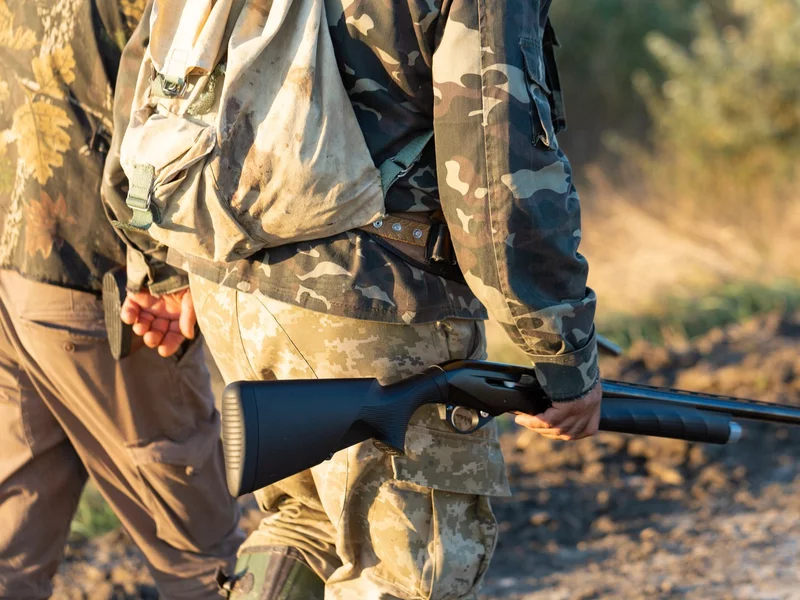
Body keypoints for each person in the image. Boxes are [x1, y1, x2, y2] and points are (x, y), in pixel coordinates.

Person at [106, 0, 602, 598]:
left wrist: (165, 263)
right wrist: (562, 348)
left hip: (233, 285)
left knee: (305, 527)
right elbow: (500, 170)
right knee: (405, 574)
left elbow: (148, 76)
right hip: (371, 308)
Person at [0, 1, 243, 598]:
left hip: (18, 267)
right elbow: (180, 98)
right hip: (107, 286)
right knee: (205, 560)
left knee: (11, 544)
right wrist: (167, 270)